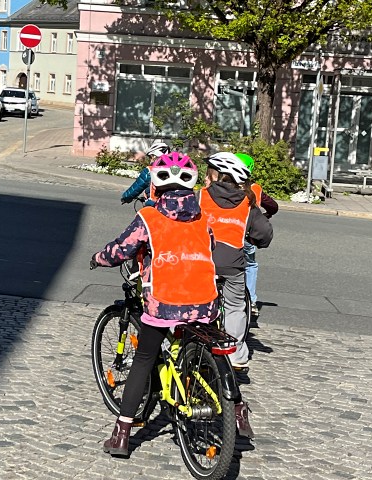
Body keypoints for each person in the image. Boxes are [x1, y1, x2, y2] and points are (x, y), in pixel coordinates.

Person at [91, 151, 221, 457]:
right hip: (205, 301)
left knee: (144, 358)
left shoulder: (149, 217)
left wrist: (98, 258)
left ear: (156, 185)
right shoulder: (203, 217)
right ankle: (231, 408)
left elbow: (121, 250)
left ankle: (122, 434)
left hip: (164, 302)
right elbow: (211, 246)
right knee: (202, 345)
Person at [198, 152, 273, 370]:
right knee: (234, 307)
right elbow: (264, 234)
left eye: (207, 174)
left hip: (201, 261)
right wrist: (255, 239)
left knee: (194, 300)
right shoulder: (247, 202)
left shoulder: (200, 196)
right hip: (231, 263)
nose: (205, 178)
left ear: (215, 176)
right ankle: (236, 354)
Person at [235, 153, 278, 316]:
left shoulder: (224, 187)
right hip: (248, 235)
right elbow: (273, 206)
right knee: (250, 265)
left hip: (230, 233)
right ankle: (251, 301)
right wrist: (265, 215)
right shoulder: (255, 188)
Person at [120, 141, 171, 206]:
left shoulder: (150, 171)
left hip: (155, 206)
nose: (150, 160)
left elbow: (137, 187)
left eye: (150, 157)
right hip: (175, 207)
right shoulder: (176, 171)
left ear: (155, 156)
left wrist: (126, 197)